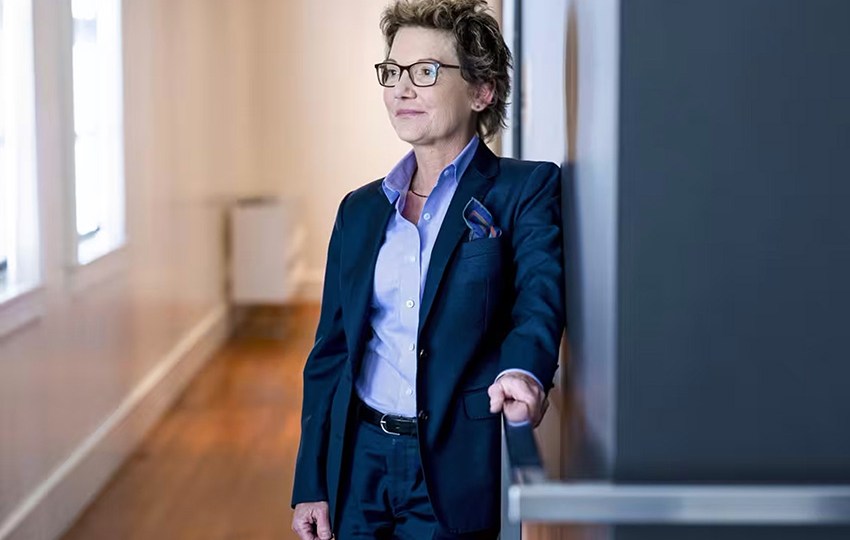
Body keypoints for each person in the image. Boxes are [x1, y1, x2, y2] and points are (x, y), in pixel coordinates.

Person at [291, 0, 564, 538]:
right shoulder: (359, 210)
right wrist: (311, 483)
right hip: (359, 460)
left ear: (482, 90)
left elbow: (538, 298)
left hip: (453, 462)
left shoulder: (525, 189)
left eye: (426, 71)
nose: (401, 89)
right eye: (393, 71)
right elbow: (330, 352)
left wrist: (524, 371)